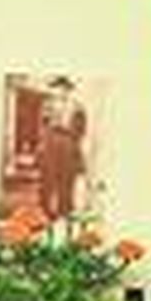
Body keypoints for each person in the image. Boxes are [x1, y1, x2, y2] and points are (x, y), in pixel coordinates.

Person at [37, 75, 88, 222]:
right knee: (48, 179)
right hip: (51, 142)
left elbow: (81, 129)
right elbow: (42, 127)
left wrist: (74, 145)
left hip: (68, 142)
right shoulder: (48, 105)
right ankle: (44, 211)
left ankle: (64, 211)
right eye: (57, 89)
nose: (60, 92)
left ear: (68, 90)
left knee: (66, 179)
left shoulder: (77, 107)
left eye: (64, 89)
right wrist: (42, 144)